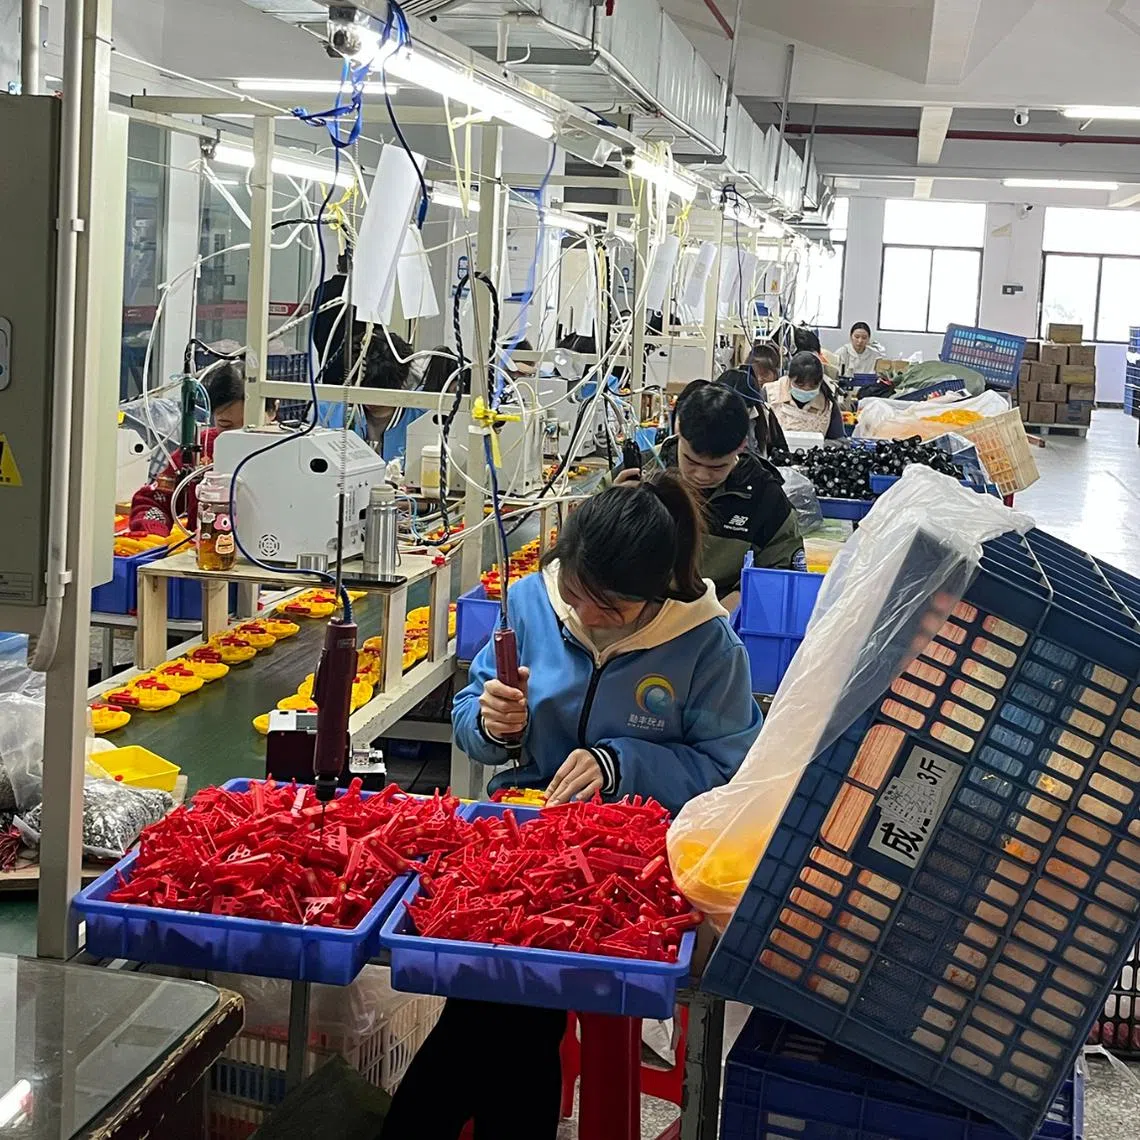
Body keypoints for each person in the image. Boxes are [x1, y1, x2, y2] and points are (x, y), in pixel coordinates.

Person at [383, 473, 761, 1140]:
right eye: (578, 593)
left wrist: (622, 764)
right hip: (521, 843)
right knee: (511, 1006)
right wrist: (494, 722)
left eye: (609, 607)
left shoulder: (707, 647)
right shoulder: (531, 603)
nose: (585, 615)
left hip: (625, 868)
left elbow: (727, 775)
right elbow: (475, 718)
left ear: (657, 593)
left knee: (504, 1005)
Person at [620, 381, 803, 603]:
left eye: (717, 467)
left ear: (742, 445)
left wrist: (738, 601)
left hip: (723, 616)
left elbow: (778, 574)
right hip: (641, 610)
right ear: (679, 432)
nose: (701, 476)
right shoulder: (643, 470)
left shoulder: (764, 497)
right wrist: (613, 507)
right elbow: (584, 545)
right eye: (690, 460)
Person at [128, 362, 276, 536]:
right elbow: (153, 502)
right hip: (206, 556)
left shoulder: (295, 453)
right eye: (225, 425)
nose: (236, 436)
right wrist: (153, 534)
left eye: (248, 427)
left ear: (274, 411)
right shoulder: (201, 449)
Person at [716, 341, 788, 457]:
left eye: (764, 374)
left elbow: (782, 452)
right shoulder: (711, 416)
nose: (759, 379)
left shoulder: (765, 414)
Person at [766, 351, 845, 440]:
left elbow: (840, 440)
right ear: (789, 378)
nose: (806, 389)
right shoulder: (770, 393)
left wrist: (818, 445)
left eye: (813, 386)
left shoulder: (827, 405)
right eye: (800, 385)